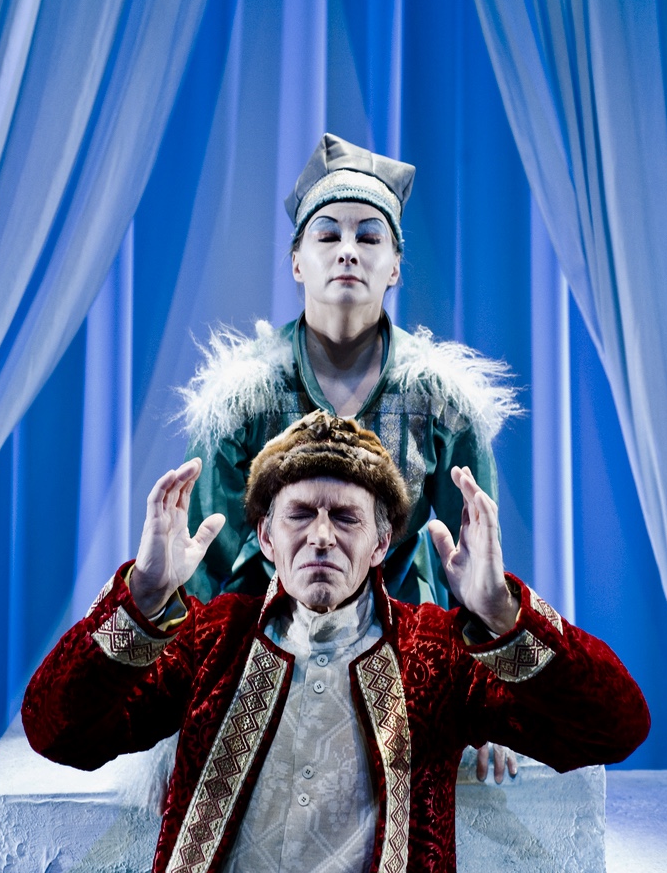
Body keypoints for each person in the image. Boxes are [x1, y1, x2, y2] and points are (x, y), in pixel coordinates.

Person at [23, 410, 649, 873]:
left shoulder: (435, 652)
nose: (321, 536)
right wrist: (143, 597)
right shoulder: (214, 639)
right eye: (301, 514)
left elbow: (614, 727)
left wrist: (501, 612)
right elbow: (57, 730)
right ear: (266, 538)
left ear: (381, 544)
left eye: (346, 517)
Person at [181, 131, 520, 780]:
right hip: (268, 646)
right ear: (296, 261)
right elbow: (203, 559)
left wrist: (488, 698)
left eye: (369, 236)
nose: (347, 250)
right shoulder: (245, 394)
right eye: (327, 234)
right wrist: (188, 690)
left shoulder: (441, 398)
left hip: (402, 649)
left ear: (394, 266)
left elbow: (475, 567)